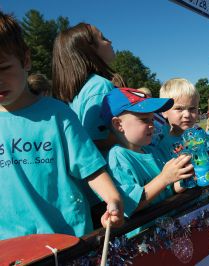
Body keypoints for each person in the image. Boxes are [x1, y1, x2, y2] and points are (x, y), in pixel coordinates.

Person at [0, 11, 124, 240]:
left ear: (26, 60)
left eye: (3, 68)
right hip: (11, 250)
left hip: (69, 241)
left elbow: (90, 167)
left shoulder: (58, 114)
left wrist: (113, 199)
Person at [100, 87, 193, 216]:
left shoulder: (152, 151)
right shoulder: (118, 158)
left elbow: (171, 188)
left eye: (152, 119)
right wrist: (164, 178)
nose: (152, 125)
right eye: (144, 120)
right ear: (118, 124)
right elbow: (129, 205)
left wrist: (186, 176)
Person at [52, 23, 117, 152]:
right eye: (103, 38)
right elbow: (96, 140)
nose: (110, 41)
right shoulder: (100, 86)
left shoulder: (81, 89)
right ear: (89, 49)